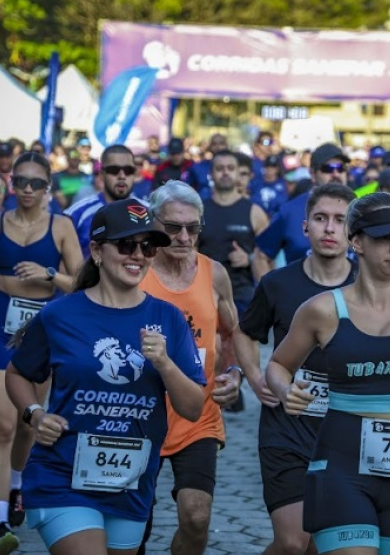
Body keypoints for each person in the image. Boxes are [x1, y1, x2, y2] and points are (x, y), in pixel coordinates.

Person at [265, 192, 390, 554]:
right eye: (385, 238)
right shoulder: (323, 309)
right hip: (340, 468)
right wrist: (285, 391)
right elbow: (279, 365)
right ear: (356, 242)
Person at [5, 198, 206, 555]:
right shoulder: (60, 315)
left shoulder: (169, 318)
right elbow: (18, 373)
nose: (138, 255)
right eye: (127, 245)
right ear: (97, 250)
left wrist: (165, 364)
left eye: (147, 247)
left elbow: (192, 409)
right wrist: (35, 414)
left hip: (130, 481)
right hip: (61, 474)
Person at [0, 152, 84, 553]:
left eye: (37, 183)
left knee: (27, 423)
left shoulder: (62, 226)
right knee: (1, 425)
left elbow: (83, 284)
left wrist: (50, 274)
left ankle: (17, 483)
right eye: (21, 182)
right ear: (10, 183)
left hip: (42, 332)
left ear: (49, 186)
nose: (28, 190)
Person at [234, 183, 358, 555]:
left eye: (341, 220)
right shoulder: (278, 283)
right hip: (285, 428)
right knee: (292, 542)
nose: (330, 228)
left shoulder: (369, 286)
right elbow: (244, 333)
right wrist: (256, 379)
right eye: (321, 219)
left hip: (345, 430)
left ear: (354, 231)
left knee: (319, 545)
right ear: (305, 227)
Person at [136, 181, 242, 555]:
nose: (184, 236)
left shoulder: (214, 274)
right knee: (135, 531)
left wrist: (233, 374)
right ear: (153, 224)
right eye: (173, 227)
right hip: (138, 414)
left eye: (193, 228)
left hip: (198, 415)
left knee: (197, 518)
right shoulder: (135, 270)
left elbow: (231, 333)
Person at [254, 144, 350, 279]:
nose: (336, 174)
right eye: (327, 169)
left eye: (341, 168)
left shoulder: (360, 209)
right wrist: (271, 297)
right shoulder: (290, 211)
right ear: (312, 174)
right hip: (300, 298)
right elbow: (260, 257)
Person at [197, 150, 269, 316]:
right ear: (211, 174)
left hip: (242, 295)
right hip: (205, 291)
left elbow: (268, 260)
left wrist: (249, 258)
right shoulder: (198, 211)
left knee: (244, 342)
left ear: (238, 173)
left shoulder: (255, 212)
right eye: (219, 168)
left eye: (230, 168)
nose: (225, 172)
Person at [65, 145, 145, 259]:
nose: (122, 176)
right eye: (114, 170)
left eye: (128, 170)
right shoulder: (76, 214)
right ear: (102, 174)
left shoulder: (149, 212)